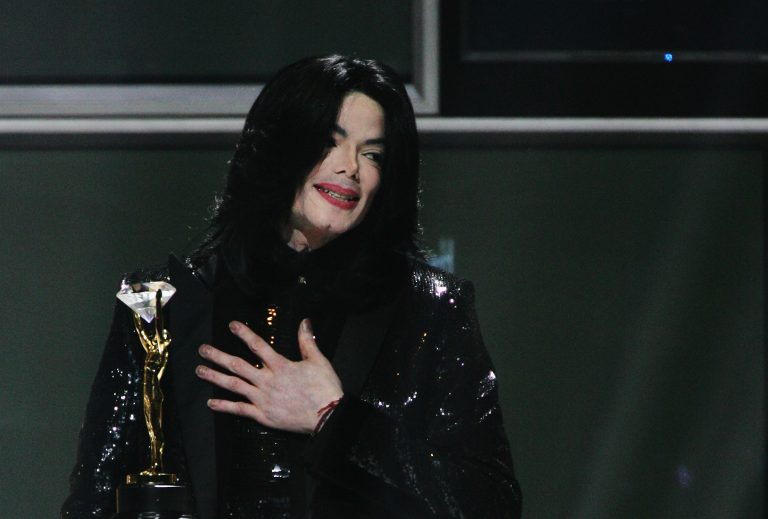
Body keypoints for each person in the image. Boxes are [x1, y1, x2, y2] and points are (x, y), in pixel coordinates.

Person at [62, 55, 522, 519]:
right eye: (329, 142)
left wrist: (333, 418)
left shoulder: (428, 308)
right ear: (278, 146)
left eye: (372, 154)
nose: (350, 168)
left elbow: (491, 503)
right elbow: (93, 500)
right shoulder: (158, 303)